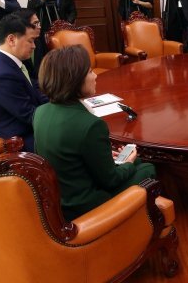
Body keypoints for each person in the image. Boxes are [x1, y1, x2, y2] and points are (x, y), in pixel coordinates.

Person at [34, 45, 156, 221]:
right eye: (90, 72)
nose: (95, 76)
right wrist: (127, 163)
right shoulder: (91, 125)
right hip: (85, 204)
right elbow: (110, 180)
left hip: (60, 196)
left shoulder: (41, 112)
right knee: (145, 167)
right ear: (75, 80)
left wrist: (107, 156)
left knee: (134, 161)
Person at [0, 13, 48, 152]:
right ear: (11, 39)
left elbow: (34, 92)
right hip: (17, 139)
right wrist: (62, 115)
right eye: (30, 41)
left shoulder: (8, 62)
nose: (34, 46)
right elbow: (29, 115)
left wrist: (61, 101)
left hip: (27, 127)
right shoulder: (2, 75)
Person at [27, 0, 76, 74]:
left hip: (63, 30)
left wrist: (67, 25)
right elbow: (30, 8)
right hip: (45, 31)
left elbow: (72, 11)